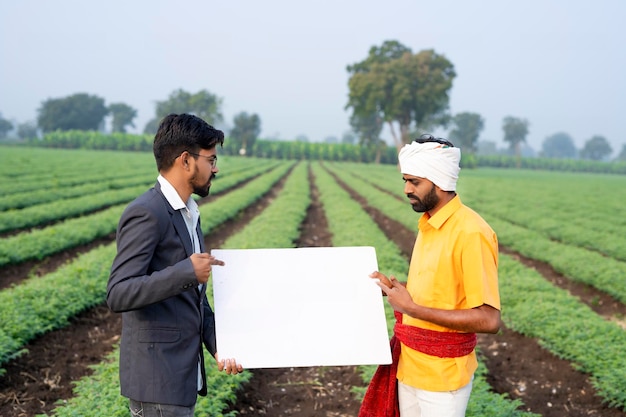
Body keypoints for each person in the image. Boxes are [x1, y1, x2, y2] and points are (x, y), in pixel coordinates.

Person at [107, 113, 243, 417]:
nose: (215, 167)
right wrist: (186, 272)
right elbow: (118, 293)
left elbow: (195, 299)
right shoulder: (147, 212)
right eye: (211, 159)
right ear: (186, 160)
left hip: (180, 380)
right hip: (156, 382)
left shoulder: (189, 215)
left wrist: (220, 344)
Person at [359, 134, 501, 417]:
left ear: (440, 181)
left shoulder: (471, 233)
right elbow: (439, 291)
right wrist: (395, 289)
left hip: (443, 378)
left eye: (415, 182)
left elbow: (489, 319)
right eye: (405, 181)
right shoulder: (428, 224)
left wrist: (411, 308)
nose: (406, 189)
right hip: (409, 364)